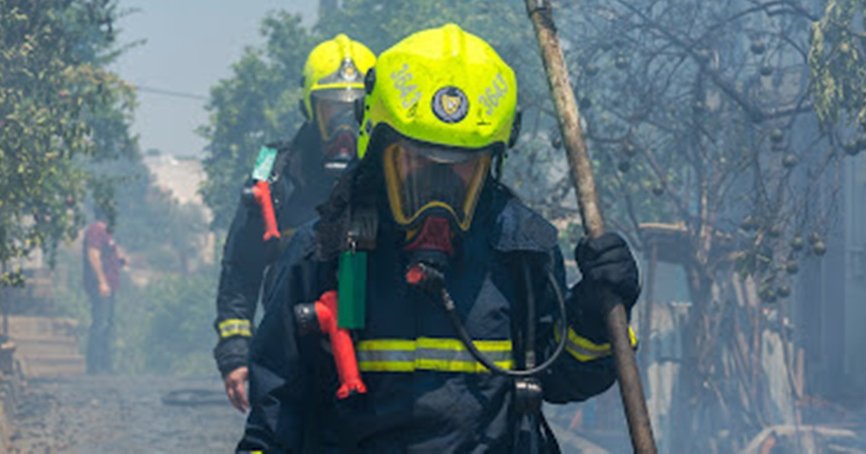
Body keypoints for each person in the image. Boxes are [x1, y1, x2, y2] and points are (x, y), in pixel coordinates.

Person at [237, 24, 641, 453]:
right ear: (377, 150)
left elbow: (563, 378)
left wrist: (596, 315)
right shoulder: (322, 254)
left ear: (492, 165)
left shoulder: (522, 252)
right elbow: (273, 419)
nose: (438, 189)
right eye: (417, 162)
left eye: (461, 166)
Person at [213, 34, 376, 412]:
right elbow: (240, 269)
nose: (344, 130)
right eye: (333, 113)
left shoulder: (391, 172)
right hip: (289, 349)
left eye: (354, 113)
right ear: (310, 107)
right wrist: (235, 355)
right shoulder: (271, 171)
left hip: (374, 355)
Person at [83, 207, 125, 374]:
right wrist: (101, 281)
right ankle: (95, 366)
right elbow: (93, 255)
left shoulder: (106, 233)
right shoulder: (95, 231)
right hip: (101, 286)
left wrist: (119, 260)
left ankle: (105, 365)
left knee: (107, 325)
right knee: (100, 324)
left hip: (110, 284)